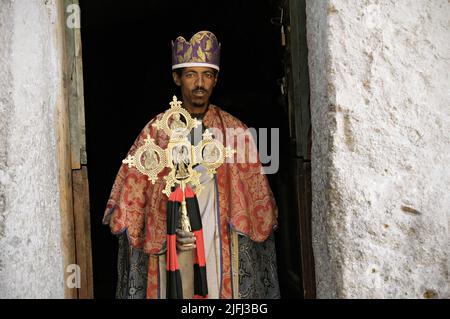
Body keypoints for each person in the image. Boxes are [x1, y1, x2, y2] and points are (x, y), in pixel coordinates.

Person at [103, 30, 280, 299]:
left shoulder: (235, 131)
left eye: (207, 75)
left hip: (217, 239)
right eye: (190, 75)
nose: (200, 83)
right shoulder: (156, 132)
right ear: (176, 78)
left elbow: (256, 202)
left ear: (216, 80)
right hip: (170, 243)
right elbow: (136, 199)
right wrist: (168, 223)